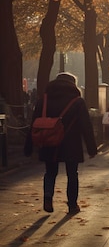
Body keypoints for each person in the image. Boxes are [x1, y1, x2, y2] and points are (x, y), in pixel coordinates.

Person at [24, 72, 97, 214]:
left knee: (50, 172)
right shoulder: (77, 102)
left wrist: (28, 147)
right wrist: (91, 148)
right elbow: (85, 126)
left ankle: (48, 197)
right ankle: (72, 204)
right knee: (72, 174)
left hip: (49, 140)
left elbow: (33, 124)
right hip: (71, 143)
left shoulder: (43, 100)